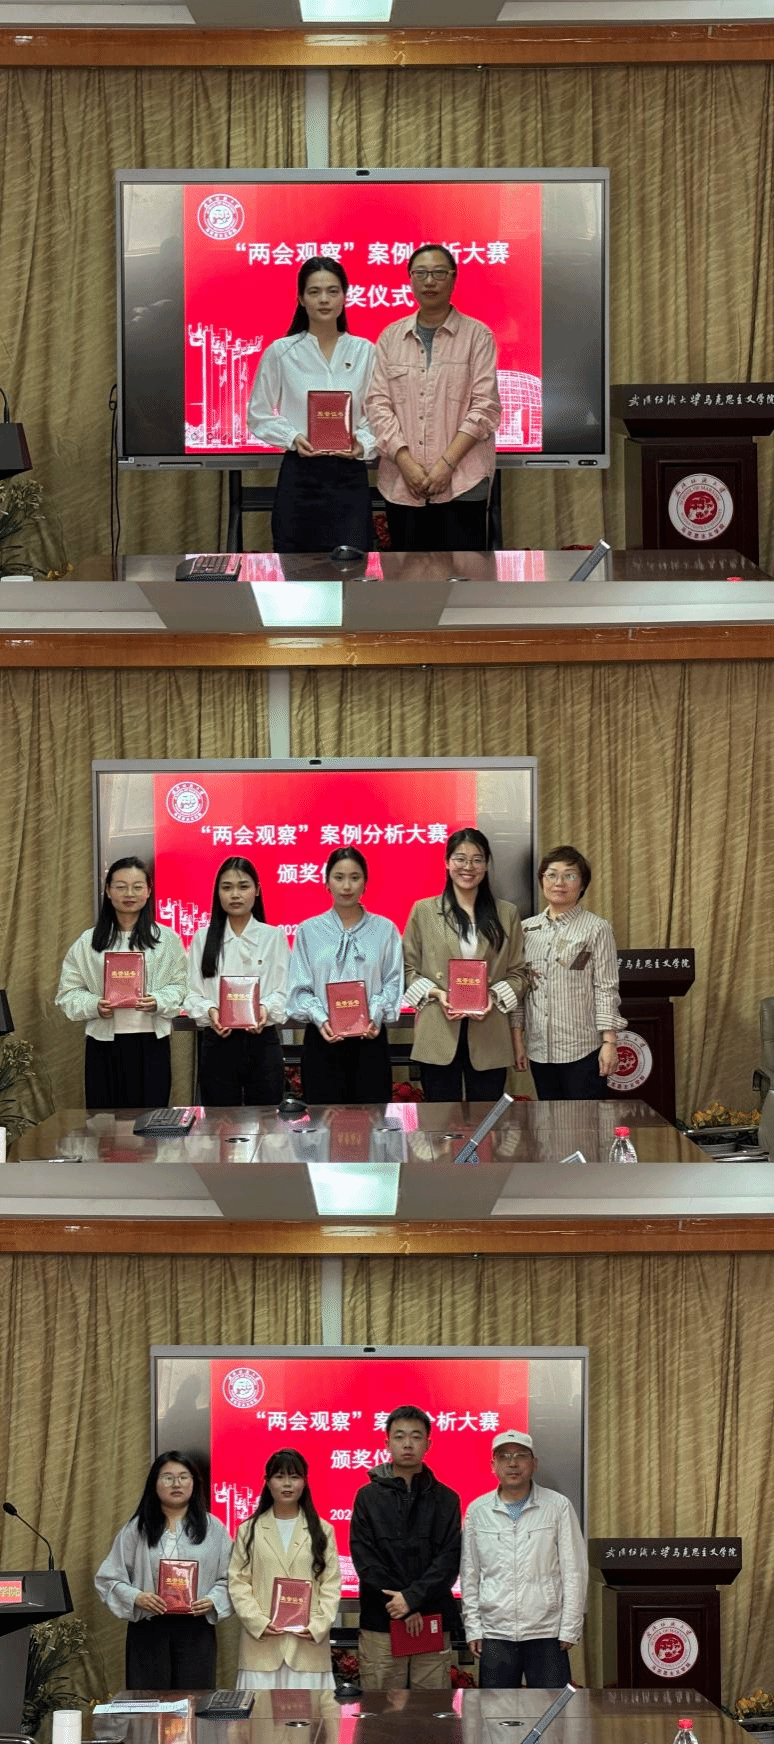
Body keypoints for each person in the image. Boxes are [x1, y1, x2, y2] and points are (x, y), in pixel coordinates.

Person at [366, 244, 501, 552]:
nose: (430, 281)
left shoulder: (477, 336)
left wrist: (445, 465)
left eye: (439, 273)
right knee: (408, 577)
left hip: (463, 482)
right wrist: (406, 464)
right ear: (410, 279)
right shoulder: (390, 337)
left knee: (464, 575)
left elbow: (485, 407)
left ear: (453, 279)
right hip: (403, 483)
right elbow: (377, 405)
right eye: (421, 273)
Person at [248, 255, 377, 554]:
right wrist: (293, 437)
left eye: (333, 291)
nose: (324, 300)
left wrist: (362, 443)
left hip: (349, 476)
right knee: (296, 566)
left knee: (351, 566)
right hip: (300, 475)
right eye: (314, 292)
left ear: (345, 297)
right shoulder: (281, 352)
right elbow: (258, 414)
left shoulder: (365, 351)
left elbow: (379, 414)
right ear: (301, 299)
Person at [402, 828, 526, 1103]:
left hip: (489, 1030)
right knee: (440, 1118)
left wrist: (492, 996)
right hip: (439, 1028)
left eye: (477, 859)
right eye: (460, 858)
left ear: (486, 865)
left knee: (486, 1118)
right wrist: (438, 994)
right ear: (447, 862)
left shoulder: (506, 913)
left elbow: (519, 973)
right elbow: (407, 969)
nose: (468, 867)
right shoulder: (424, 911)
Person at [56, 855, 187, 1109]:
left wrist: (158, 1000)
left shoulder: (167, 939)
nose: (129, 894)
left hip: (151, 1045)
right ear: (108, 890)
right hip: (103, 1046)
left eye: (137, 887)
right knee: (104, 1123)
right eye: (121, 886)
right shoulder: (88, 941)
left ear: (148, 891)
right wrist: (94, 1005)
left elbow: (181, 986)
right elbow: (68, 993)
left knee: (149, 1121)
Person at [95, 1450, 232, 1689]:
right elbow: (108, 1579)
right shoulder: (136, 1528)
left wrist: (213, 1600)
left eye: (183, 1477)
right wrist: (137, 1597)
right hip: (149, 1628)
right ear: (154, 1483)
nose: (176, 1484)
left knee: (194, 1699)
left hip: (195, 1628)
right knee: (149, 1699)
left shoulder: (213, 1528)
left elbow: (231, 1579)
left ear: (194, 1483)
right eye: (168, 1477)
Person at [460, 1429, 587, 1689]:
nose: (513, 1463)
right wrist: (473, 1627)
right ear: (493, 1465)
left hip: (547, 1632)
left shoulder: (557, 1506)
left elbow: (574, 1570)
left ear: (534, 1463)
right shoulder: (478, 1511)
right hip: (495, 1632)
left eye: (520, 1455)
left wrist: (570, 1627)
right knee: (496, 1711)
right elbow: (469, 1574)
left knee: (553, 1710)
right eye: (504, 1457)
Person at [350, 1404, 461, 1690]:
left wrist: (412, 1599)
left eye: (416, 1436)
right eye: (399, 1436)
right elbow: (365, 1559)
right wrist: (403, 1604)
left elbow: (448, 1560)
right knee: (381, 1708)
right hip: (382, 1620)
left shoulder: (447, 1499)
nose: (407, 1444)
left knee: (431, 1708)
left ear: (428, 1444)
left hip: (431, 1618)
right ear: (387, 1443)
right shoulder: (367, 1497)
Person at [286, 847, 404, 1104]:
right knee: (324, 1121)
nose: (347, 886)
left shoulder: (385, 930)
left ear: (365, 883)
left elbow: (394, 981)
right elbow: (299, 988)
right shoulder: (308, 930)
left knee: (372, 1120)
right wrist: (320, 1019)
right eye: (338, 877)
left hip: (370, 1040)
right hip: (323, 1040)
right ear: (327, 882)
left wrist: (375, 1014)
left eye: (355, 877)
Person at [511, 844, 625, 1099]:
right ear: (541, 880)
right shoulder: (526, 929)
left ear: (582, 884)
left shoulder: (596, 928)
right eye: (551, 875)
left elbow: (606, 987)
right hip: (540, 1049)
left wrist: (609, 1042)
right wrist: (517, 1040)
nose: (559, 882)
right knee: (549, 1120)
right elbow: (520, 989)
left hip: (582, 1049)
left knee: (585, 1121)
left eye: (569, 875)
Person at [228, 1447, 341, 1690]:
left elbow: (331, 1584)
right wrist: (258, 1622)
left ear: (305, 1482)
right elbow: (238, 1583)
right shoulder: (248, 1530)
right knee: (259, 1713)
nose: (287, 1484)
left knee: (310, 1713)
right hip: (262, 1647)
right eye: (279, 1477)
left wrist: (318, 1626)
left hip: (308, 1645)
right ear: (267, 1482)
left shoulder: (323, 1530)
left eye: (294, 1477)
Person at [185, 855, 290, 1106]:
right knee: (219, 1122)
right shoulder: (202, 938)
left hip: (263, 1041)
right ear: (217, 893)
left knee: (267, 1120)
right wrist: (211, 1011)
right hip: (217, 1042)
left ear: (257, 891)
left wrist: (264, 1009)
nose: (235, 895)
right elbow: (191, 993)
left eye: (243, 887)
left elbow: (285, 991)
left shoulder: (274, 937)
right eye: (227, 887)